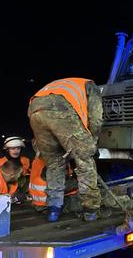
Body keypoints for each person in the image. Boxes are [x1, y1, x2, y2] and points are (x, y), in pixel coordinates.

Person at [28, 77, 103, 222]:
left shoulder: (67, 84)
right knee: (84, 162)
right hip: (60, 108)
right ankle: (91, 210)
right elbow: (97, 117)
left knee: (54, 163)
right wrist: (92, 143)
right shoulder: (91, 85)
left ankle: (53, 210)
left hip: (35, 109)